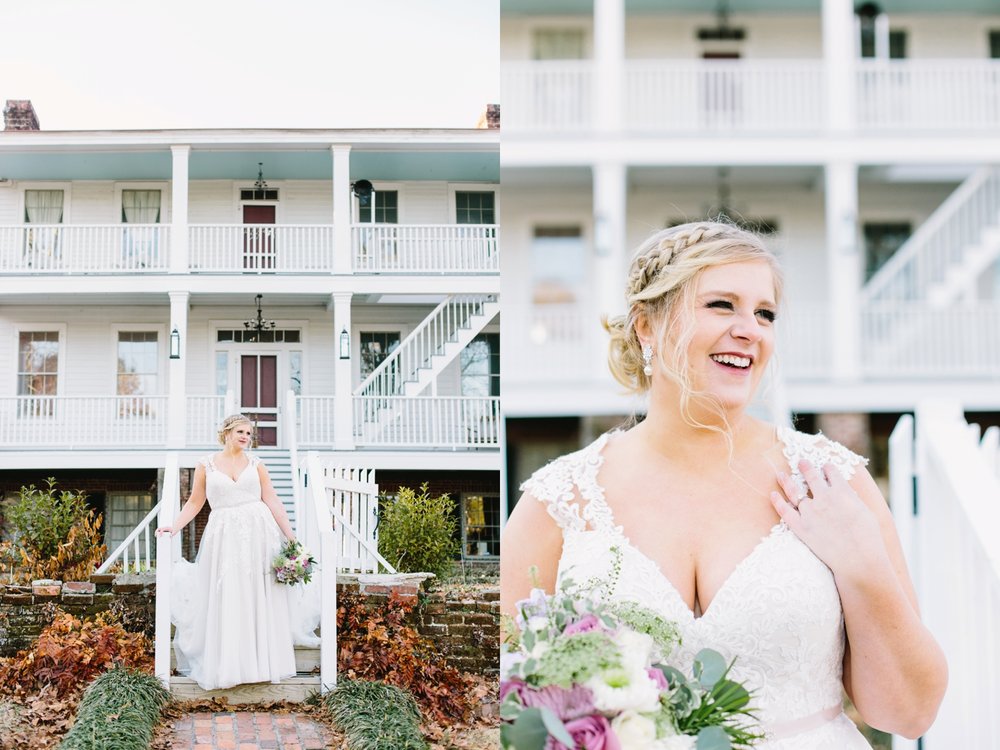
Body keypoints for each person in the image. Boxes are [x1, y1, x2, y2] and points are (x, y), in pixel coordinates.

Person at [501, 221, 947, 748]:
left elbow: (911, 714)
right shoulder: (557, 501)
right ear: (646, 325)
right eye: (721, 305)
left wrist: (862, 560)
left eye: (765, 313)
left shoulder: (829, 482)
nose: (750, 329)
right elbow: (510, 707)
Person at [156, 413, 315, 691]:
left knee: (258, 593)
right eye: (241, 431)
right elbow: (195, 502)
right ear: (226, 432)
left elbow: (272, 500)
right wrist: (174, 526)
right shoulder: (205, 464)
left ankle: (261, 664)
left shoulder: (257, 464)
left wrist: (291, 537)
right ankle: (230, 664)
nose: (245, 437)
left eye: (249, 434)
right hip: (224, 534)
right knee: (229, 592)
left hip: (259, 533)